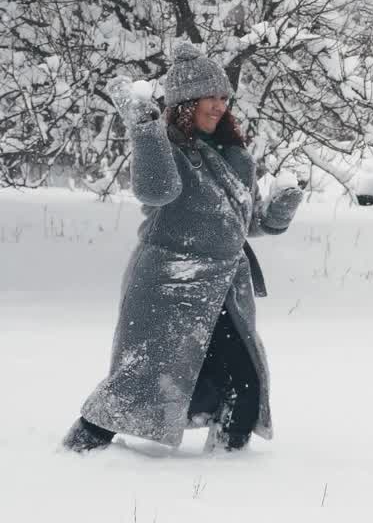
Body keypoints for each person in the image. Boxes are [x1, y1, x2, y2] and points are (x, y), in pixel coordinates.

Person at [62, 42, 303, 454]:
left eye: (224, 97)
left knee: (244, 381)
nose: (219, 106)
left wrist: (281, 208)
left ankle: (229, 465)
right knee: (139, 379)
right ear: (186, 101)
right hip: (169, 285)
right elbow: (158, 191)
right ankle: (79, 450)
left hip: (224, 287)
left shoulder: (236, 157)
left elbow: (247, 224)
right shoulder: (165, 147)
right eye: (210, 96)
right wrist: (144, 129)